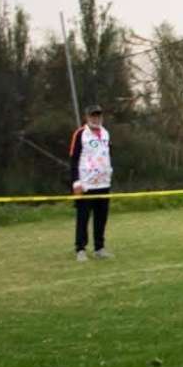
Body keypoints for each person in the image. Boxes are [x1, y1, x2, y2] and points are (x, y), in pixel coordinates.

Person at [69, 104, 113, 262]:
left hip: (103, 184)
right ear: (87, 117)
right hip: (86, 185)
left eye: (98, 115)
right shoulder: (81, 134)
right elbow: (73, 160)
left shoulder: (106, 133)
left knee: (101, 218)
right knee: (83, 218)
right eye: (93, 116)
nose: (96, 118)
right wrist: (75, 182)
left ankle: (99, 248)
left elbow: (107, 155)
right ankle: (80, 249)